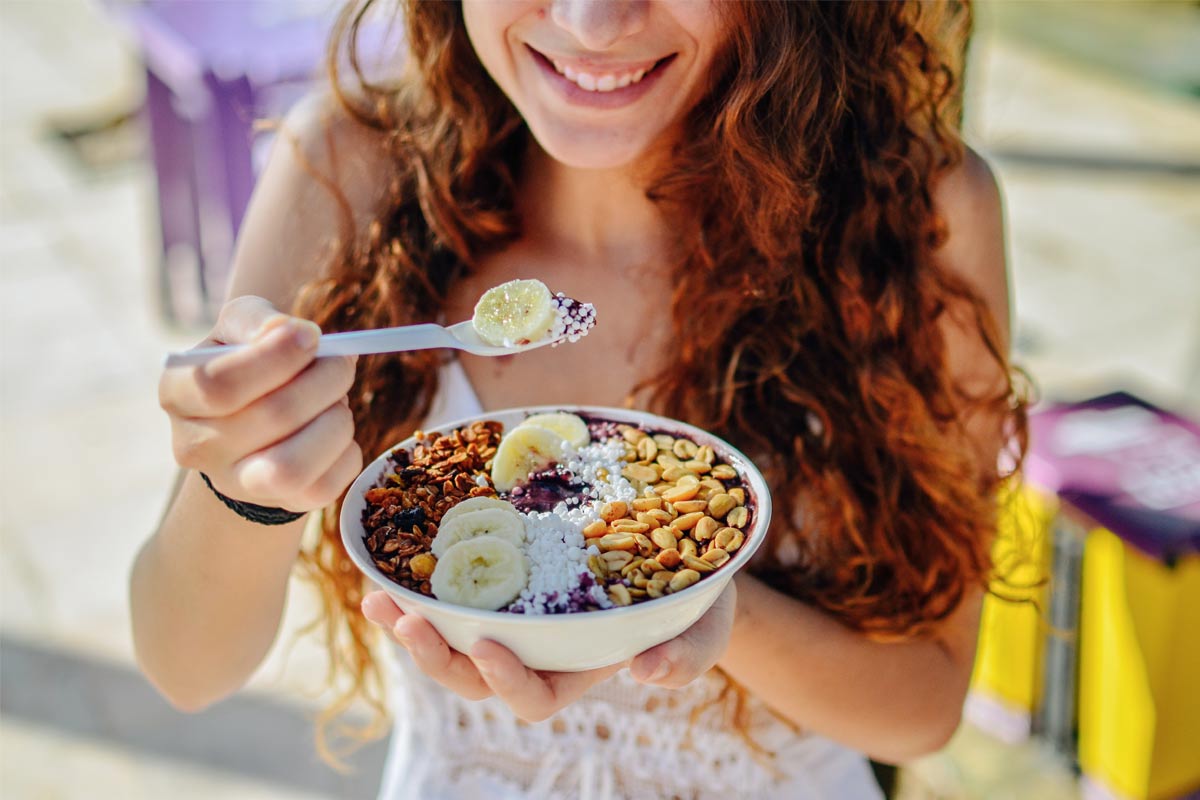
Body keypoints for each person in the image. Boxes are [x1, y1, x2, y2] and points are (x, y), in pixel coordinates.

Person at [132, 1, 1028, 798]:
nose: (594, 22)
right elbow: (186, 668)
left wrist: (699, 603)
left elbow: (922, 708)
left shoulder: (918, 215)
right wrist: (239, 482)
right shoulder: (350, 168)